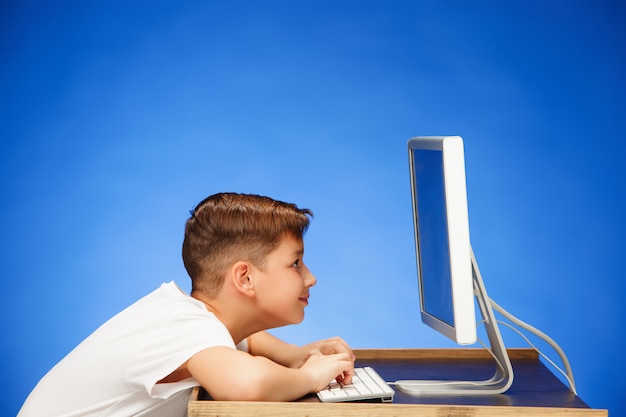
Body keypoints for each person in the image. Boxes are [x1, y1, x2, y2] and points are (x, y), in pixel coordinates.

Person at [18, 192, 355, 417]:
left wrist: (294, 354)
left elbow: (245, 340)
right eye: (296, 263)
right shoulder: (186, 327)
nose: (311, 278)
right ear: (245, 279)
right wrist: (311, 375)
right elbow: (246, 384)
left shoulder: (194, 319)